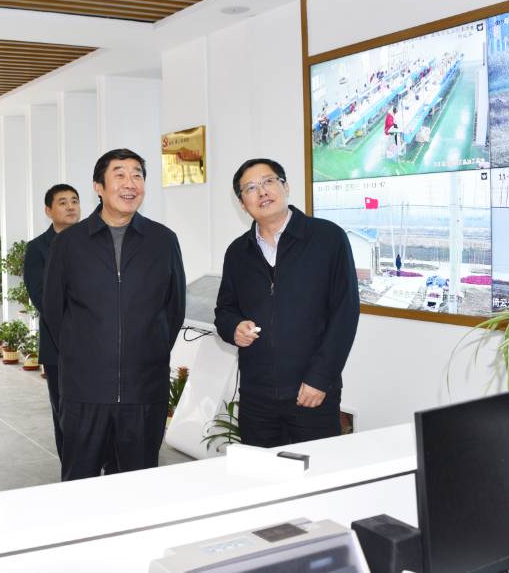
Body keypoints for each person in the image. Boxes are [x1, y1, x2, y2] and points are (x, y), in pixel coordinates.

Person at [43, 148, 186, 481]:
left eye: (137, 175)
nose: (130, 183)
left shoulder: (162, 241)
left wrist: (148, 351)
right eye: (119, 174)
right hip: (85, 391)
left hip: (143, 390)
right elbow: (54, 309)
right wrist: (83, 353)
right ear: (99, 187)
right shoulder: (69, 243)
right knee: (80, 482)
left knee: (139, 483)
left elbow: (174, 308)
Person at [214, 158, 359, 448]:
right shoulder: (238, 252)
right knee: (261, 472)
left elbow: (345, 313)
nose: (262, 192)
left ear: (286, 186)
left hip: (311, 392)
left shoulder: (327, 238)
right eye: (250, 188)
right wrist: (234, 327)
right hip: (256, 397)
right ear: (242, 203)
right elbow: (224, 311)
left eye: (269, 181)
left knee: (319, 470)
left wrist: (320, 378)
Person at [23, 183, 81, 461]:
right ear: (48, 211)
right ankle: (71, 467)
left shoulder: (95, 242)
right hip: (58, 344)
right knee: (64, 410)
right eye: (63, 202)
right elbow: (42, 297)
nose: (70, 207)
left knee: (98, 411)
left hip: (98, 345)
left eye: (74, 201)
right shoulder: (37, 248)